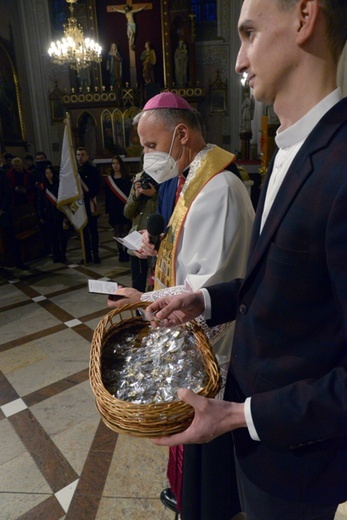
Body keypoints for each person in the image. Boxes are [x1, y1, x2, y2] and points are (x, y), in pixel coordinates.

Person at [143, 1, 347, 520]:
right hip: (257, 440)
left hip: (297, 457)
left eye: (249, 33)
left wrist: (241, 414)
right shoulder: (288, 151)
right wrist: (206, 298)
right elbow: (286, 285)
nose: (237, 60)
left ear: (305, 18)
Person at [108, 91, 255, 519]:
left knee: (211, 487)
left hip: (217, 356)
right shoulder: (194, 180)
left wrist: (143, 297)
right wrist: (155, 256)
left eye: (151, 146)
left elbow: (205, 288)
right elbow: (188, 257)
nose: (146, 156)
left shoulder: (219, 189)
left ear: (181, 134)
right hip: (192, 342)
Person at [123, 170, 159, 289]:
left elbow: (168, 211)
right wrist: (136, 196)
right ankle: (138, 307)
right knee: (137, 284)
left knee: (155, 285)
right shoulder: (138, 178)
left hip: (156, 240)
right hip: (137, 240)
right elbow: (127, 213)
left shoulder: (166, 180)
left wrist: (154, 195)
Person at [36, 165, 68, 263]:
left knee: (62, 235)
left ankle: (62, 253)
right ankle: (56, 254)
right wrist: (40, 215)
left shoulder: (59, 185)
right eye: (46, 173)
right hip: (48, 214)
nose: (48, 175)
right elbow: (39, 201)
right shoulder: (42, 186)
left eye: (50, 172)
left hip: (59, 213)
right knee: (53, 236)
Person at [104, 155, 132, 262]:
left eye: (117, 163)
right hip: (114, 208)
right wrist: (107, 210)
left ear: (121, 164)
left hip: (124, 207)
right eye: (113, 163)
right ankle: (120, 251)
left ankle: (126, 250)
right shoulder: (109, 180)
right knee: (117, 230)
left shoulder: (127, 179)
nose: (115, 166)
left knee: (126, 228)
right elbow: (107, 196)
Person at [76, 147, 101, 264]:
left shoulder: (93, 170)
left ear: (87, 156)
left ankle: (95, 254)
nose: (80, 157)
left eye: (82, 155)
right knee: (83, 231)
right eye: (78, 155)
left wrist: (88, 195)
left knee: (93, 231)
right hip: (80, 205)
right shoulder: (75, 172)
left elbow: (98, 186)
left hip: (90, 204)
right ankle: (86, 255)